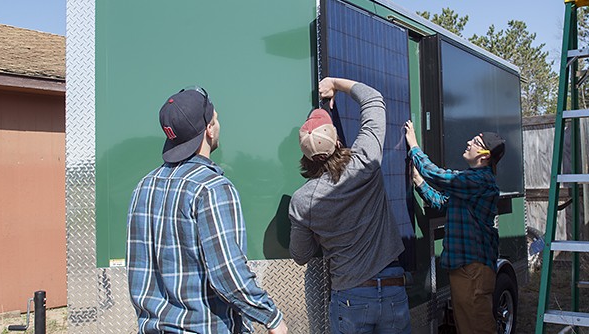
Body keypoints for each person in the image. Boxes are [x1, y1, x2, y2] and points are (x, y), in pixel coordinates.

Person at [126, 86, 288, 334]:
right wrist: (272, 317)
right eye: (216, 119)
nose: (218, 124)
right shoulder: (211, 188)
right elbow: (228, 274)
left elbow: (139, 271)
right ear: (209, 130)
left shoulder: (143, 186)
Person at [289, 77, 411, 334]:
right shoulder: (365, 162)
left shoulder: (302, 201)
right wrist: (334, 83)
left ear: (304, 156)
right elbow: (373, 99)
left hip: (350, 298)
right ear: (337, 142)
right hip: (393, 289)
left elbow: (300, 256)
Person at [404, 120, 505, 334]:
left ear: (484, 155)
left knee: (476, 328)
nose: (469, 142)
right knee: (468, 326)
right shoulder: (471, 185)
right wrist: (418, 181)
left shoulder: (480, 180)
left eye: (475, 142)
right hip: (467, 270)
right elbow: (443, 203)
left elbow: (440, 176)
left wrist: (413, 146)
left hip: (473, 270)